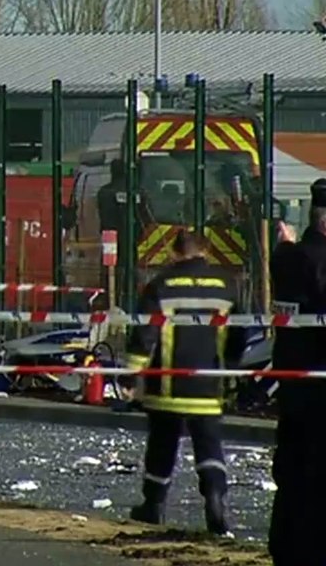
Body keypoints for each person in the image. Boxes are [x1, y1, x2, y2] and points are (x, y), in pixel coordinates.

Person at [125, 229, 248, 537]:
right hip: (209, 385)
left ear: (173, 252)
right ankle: (215, 497)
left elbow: (144, 335)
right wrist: (230, 370)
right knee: (209, 444)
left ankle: (153, 505)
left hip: (166, 386)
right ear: (206, 251)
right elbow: (240, 332)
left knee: (162, 445)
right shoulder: (227, 285)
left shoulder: (161, 285)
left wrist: (130, 375)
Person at [267, 179, 326, 564]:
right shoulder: (311, 260)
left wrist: (285, 242)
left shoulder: (286, 257)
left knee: (290, 472)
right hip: (321, 387)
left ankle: (286, 549)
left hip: (292, 385)